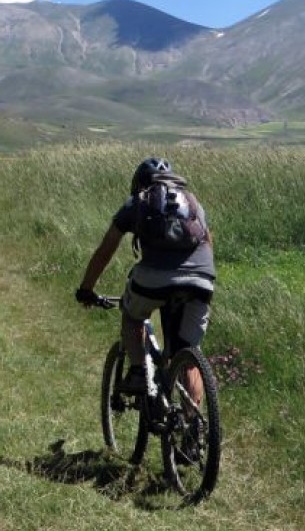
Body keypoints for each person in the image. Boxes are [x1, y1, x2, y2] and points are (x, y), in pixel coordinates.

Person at [74, 157, 215, 395]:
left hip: (154, 279)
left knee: (132, 316)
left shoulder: (136, 202)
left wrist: (86, 289)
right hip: (201, 279)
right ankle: (195, 427)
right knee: (188, 355)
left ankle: (139, 371)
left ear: (138, 183)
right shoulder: (193, 202)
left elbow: (105, 251)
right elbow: (208, 245)